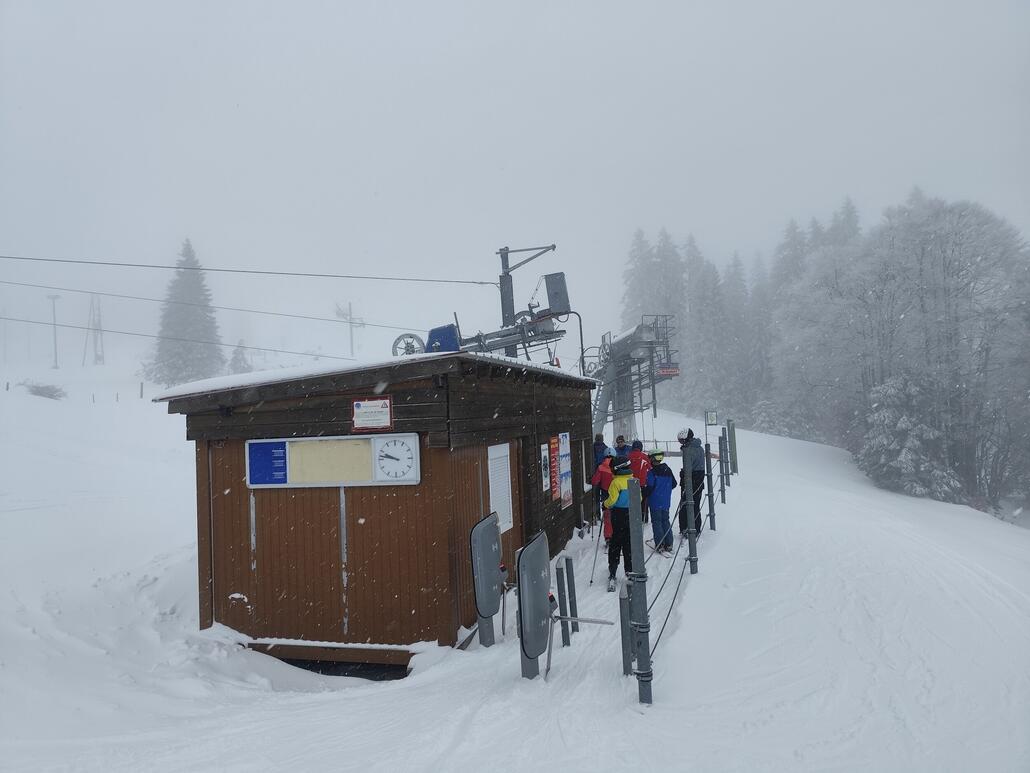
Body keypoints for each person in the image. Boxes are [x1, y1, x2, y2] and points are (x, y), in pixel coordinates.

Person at [603, 458, 638, 592]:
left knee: (616, 542)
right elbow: (639, 498)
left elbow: (612, 500)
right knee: (628, 543)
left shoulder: (616, 482)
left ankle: (613, 571)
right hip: (631, 514)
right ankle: (629, 571)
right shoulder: (633, 480)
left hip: (618, 515)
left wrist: (605, 504)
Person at [645, 450, 677, 553]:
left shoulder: (651, 473)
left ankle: (660, 544)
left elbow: (649, 487)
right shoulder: (668, 470)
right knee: (665, 521)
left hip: (655, 501)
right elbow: (674, 484)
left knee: (657, 522)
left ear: (652, 459)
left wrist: (643, 492)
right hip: (665, 501)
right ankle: (669, 543)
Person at [677, 428, 706, 535]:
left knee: (686, 504)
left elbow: (688, 466)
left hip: (691, 479)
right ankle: (696, 527)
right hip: (699, 478)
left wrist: (683, 474)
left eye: (681, 441)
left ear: (687, 439)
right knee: (695, 504)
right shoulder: (699, 447)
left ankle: (685, 527)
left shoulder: (689, 450)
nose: (681, 444)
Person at [591, 447, 616, 546]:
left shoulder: (601, 467)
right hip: (617, 494)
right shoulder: (617, 467)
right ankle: (617, 535)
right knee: (617, 516)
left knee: (607, 517)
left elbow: (595, 481)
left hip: (606, 495)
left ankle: (608, 537)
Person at [627, 440, 653, 522]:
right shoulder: (644, 457)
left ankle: (633, 518)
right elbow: (650, 469)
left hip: (630, 483)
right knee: (644, 501)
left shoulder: (628, 457)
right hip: (642, 483)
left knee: (633, 502)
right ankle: (644, 517)